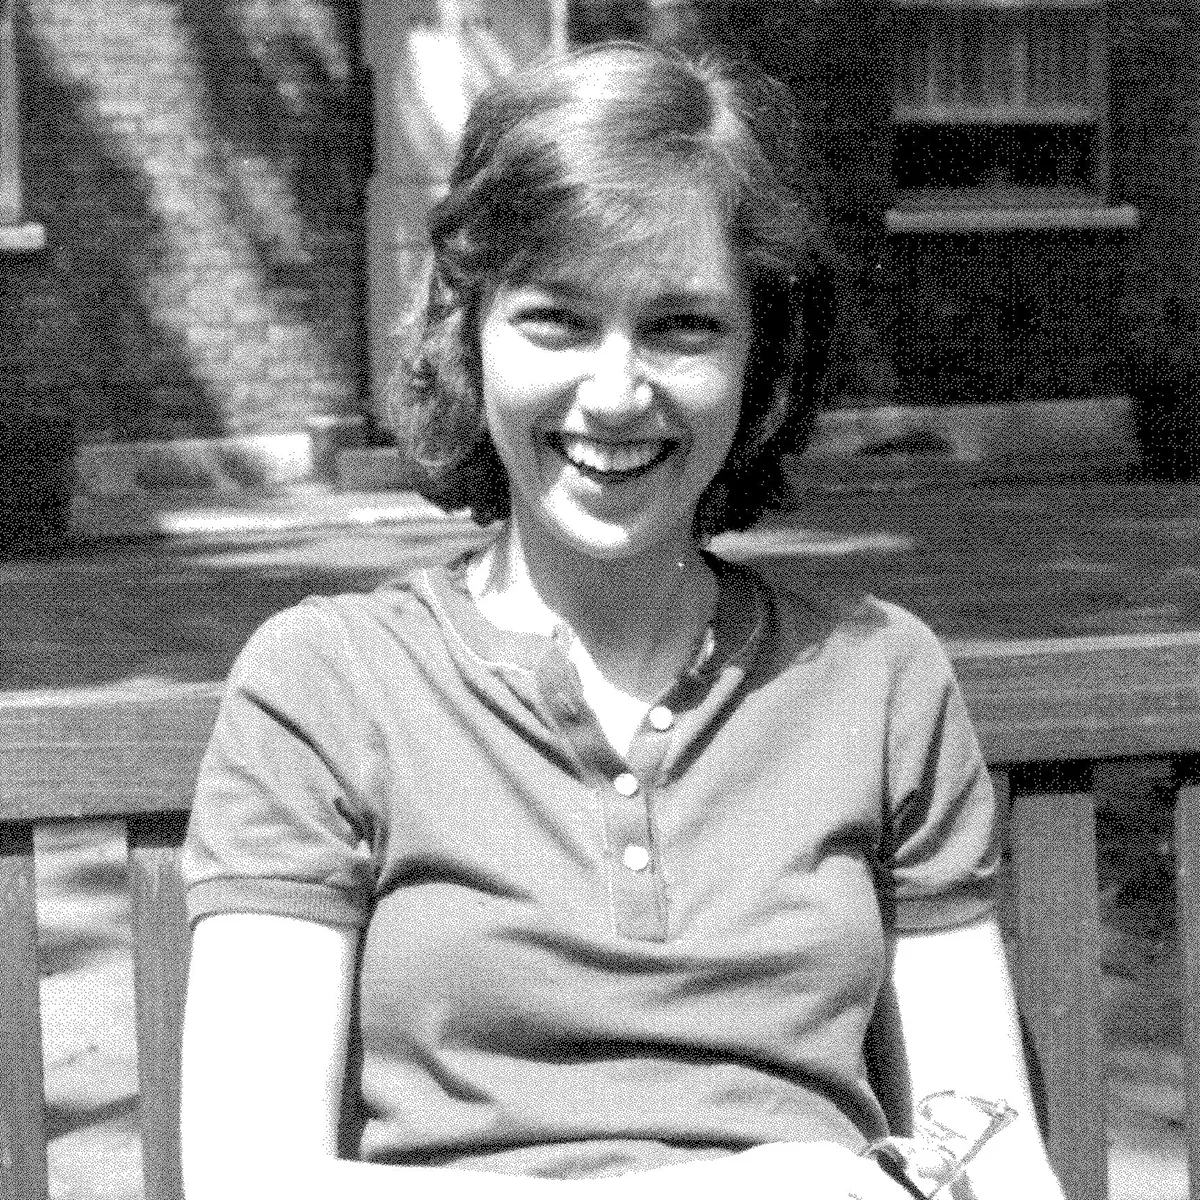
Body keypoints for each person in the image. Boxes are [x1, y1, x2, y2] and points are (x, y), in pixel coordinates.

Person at [180, 41, 1065, 1200]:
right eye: (555, 320)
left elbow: (988, 1140)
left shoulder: (878, 677)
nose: (615, 391)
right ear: (468, 334)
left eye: (683, 327)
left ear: (763, 355)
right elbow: (251, 1179)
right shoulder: (326, 682)